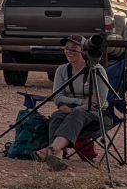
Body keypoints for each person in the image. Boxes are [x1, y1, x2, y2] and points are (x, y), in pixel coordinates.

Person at [37, 33, 105, 170]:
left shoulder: (97, 71)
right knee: (57, 115)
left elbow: (99, 102)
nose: (69, 51)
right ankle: (57, 158)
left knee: (76, 114)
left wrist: (73, 108)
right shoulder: (62, 70)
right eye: (66, 48)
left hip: (95, 113)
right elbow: (57, 97)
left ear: (84, 50)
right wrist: (80, 102)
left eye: (74, 48)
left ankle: (52, 149)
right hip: (74, 109)